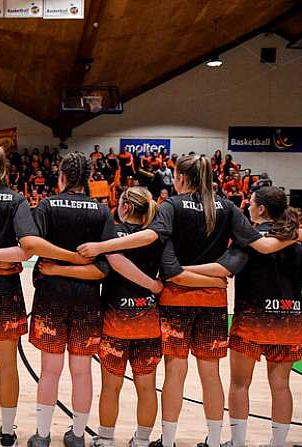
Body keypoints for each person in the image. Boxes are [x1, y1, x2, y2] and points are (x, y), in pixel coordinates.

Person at [78, 155, 301, 447]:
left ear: (181, 177)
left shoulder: (172, 205)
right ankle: (216, 439)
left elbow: (149, 236)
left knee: (175, 374)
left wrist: (103, 245)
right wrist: (295, 232)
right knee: (211, 376)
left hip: (175, 299)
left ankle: (168, 441)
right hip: (214, 302)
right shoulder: (228, 206)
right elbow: (264, 245)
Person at [0, 152, 114, 447]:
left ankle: (43, 435)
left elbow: (31, 247)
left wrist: (58, 267)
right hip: (87, 300)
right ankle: (77, 436)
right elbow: (103, 270)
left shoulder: (47, 206)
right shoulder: (101, 211)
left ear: (61, 175)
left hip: (51, 298)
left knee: (50, 369)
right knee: (82, 371)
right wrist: (76, 265)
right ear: (86, 178)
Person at [171, 187, 302, 447]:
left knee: (240, 384)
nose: (247, 206)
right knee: (281, 384)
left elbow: (224, 267)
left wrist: (180, 268)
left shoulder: (249, 238)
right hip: (289, 319)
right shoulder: (295, 239)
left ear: (261, 208)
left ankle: (237, 442)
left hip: (252, 321)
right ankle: (278, 444)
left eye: (250, 203)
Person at [92, 187, 165, 447]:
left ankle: (105, 439)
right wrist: (153, 286)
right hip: (149, 322)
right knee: (147, 388)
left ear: (125, 207)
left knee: (111, 387)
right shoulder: (156, 236)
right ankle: (142, 441)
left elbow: (111, 263)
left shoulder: (111, 233)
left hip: (115, 322)